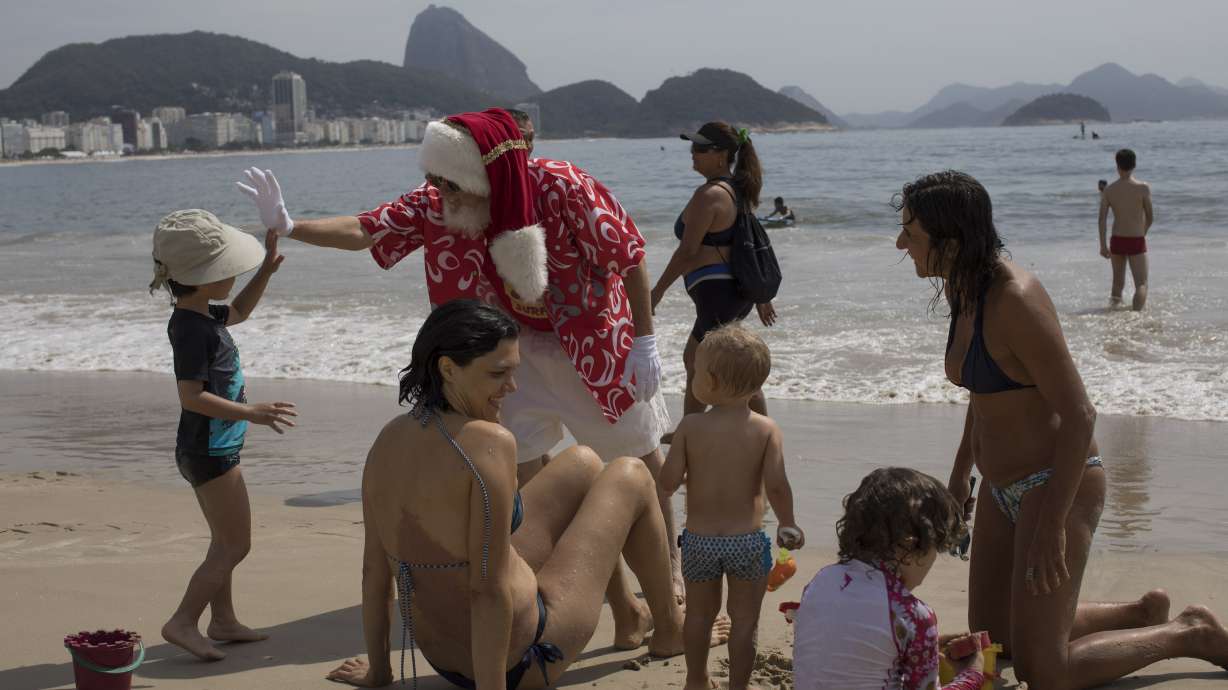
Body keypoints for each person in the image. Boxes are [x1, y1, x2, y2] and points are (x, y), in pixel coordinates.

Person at [237, 109, 684, 591]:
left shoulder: (561, 185)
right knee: (524, 468)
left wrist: (645, 340)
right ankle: (549, 578)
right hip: (506, 355)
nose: (440, 191)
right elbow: (368, 230)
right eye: (434, 179)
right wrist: (292, 225)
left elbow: (629, 256)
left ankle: (671, 573)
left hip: (591, 348)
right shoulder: (436, 202)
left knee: (637, 462)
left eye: (449, 182)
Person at [895, 170, 1228, 689]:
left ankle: (1189, 632)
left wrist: (1052, 523)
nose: (901, 244)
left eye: (911, 233)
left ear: (951, 242)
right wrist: (961, 474)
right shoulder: (964, 287)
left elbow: (1079, 413)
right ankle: (1138, 613)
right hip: (1000, 487)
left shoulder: (1014, 299)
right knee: (995, 640)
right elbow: (983, 392)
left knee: (1043, 672)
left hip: (1055, 484)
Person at [324, 300, 729, 688]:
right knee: (632, 473)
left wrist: (380, 671)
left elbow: (374, 572)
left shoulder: (389, 439)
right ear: (448, 368)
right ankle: (671, 631)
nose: (512, 386)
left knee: (584, 462)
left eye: (514, 371)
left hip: (446, 660)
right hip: (522, 657)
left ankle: (628, 616)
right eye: (498, 374)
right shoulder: (489, 444)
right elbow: (487, 590)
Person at [149, 209, 297, 661]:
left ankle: (224, 620)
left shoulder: (199, 316)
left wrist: (266, 270)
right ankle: (182, 621)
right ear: (204, 277)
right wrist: (251, 412)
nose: (234, 274)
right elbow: (191, 396)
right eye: (228, 269)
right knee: (236, 544)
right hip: (210, 452)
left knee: (222, 541)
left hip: (210, 447)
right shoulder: (191, 330)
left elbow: (240, 311)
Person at [659, 324, 803, 690]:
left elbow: (668, 482)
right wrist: (787, 522)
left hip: (700, 542)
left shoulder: (690, 427)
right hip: (746, 543)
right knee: (744, 622)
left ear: (709, 381)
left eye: (695, 371)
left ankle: (696, 680)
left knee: (699, 617)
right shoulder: (766, 429)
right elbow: (777, 485)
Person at [793, 467, 986, 689]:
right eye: (936, 548)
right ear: (911, 545)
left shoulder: (819, 582)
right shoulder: (913, 615)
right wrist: (972, 674)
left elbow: (849, 648)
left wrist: (925, 644)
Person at [650, 121, 777, 434]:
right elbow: (746, 245)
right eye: (693, 147)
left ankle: (695, 433)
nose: (693, 153)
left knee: (702, 362)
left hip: (718, 296)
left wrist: (657, 291)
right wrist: (760, 297)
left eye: (701, 148)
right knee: (719, 362)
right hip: (731, 294)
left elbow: (688, 252)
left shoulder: (710, 195)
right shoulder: (735, 191)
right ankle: (754, 432)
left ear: (721, 155)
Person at [1099, 148, 1153, 310]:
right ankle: (1136, 316)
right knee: (1141, 284)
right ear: (1134, 165)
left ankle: (1113, 315)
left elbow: (1102, 220)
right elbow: (1150, 217)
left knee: (1117, 283)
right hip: (1136, 239)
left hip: (1117, 239)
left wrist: (1103, 246)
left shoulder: (1109, 190)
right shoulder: (1143, 188)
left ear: (1117, 166)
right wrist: (1143, 232)